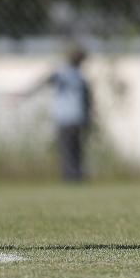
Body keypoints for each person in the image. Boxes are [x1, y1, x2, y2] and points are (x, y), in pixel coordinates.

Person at [24, 45, 93, 181]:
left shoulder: (64, 73)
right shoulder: (80, 77)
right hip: (79, 119)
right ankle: (78, 176)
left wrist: (24, 95)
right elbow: (88, 100)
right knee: (77, 150)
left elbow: (46, 80)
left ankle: (71, 177)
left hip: (66, 119)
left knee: (67, 150)